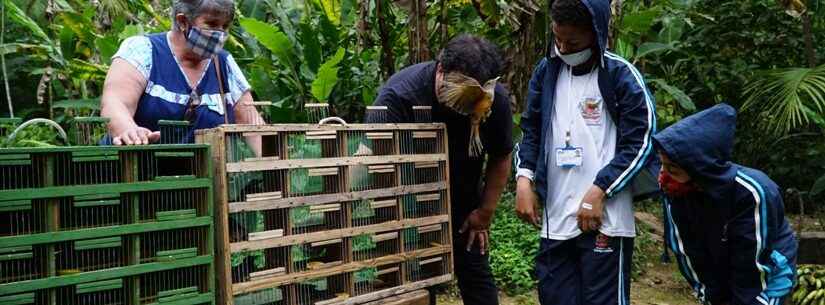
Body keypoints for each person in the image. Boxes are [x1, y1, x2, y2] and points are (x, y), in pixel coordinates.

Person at [513, 0, 658, 304]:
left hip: (605, 217)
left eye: (573, 42)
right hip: (555, 218)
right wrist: (524, 179)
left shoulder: (620, 75)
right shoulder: (546, 72)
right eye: (557, 39)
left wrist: (600, 190)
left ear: (596, 34)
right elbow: (532, 130)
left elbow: (641, 140)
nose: (563, 48)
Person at [366, 35, 513, 305]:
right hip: (404, 205)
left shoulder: (494, 101)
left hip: (463, 204)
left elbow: (501, 156)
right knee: (410, 287)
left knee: (476, 274)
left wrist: (485, 212)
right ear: (441, 71)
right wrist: (400, 225)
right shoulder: (397, 98)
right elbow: (377, 167)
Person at [655, 104, 798, 305]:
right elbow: (687, 253)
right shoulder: (676, 191)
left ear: (698, 166)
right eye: (661, 164)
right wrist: (708, 294)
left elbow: (751, 265)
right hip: (720, 268)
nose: (663, 174)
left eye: (672, 167)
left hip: (767, 277)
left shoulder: (751, 191)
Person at [100, 0, 262, 151]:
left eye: (225, 27)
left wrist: (274, 162)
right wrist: (129, 131)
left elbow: (251, 123)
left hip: (197, 177)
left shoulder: (224, 63)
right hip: (132, 172)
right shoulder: (142, 50)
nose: (220, 34)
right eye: (212, 24)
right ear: (183, 22)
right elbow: (115, 103)